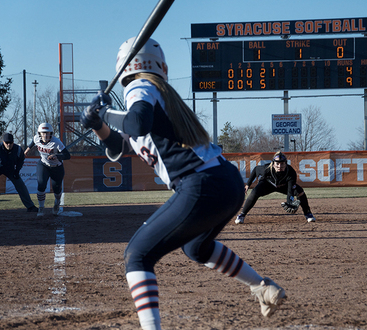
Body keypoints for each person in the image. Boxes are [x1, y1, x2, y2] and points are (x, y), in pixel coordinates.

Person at [80, 37, 286, 329]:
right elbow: (121, 145)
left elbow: (136, 124)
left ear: (125, 66)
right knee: (196, 248)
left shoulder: (139, 87)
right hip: (224, 182)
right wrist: (98, 124)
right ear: (160, 65)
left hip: (201, 184)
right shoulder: (160, 95)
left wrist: (102, 113)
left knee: (137, 255)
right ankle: (262, 287)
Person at [235, 151, 315, 224]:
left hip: (283, 186)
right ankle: (242, 215)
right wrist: (248, 184)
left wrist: (289, 202)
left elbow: (290, 189)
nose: (280, 166)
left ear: (286, 163)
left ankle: (308, 213)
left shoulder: (291, 172)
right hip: (267, 184)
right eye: (277, 163)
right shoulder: (266, 169)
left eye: (282, 163)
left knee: (299, 191)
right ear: (273, 164)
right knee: (255, 192)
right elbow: (256, 170)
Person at [0, 133, 38, 215]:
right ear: (3, 142)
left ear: (13, 142)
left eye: (10, 142)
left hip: (10, 170)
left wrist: (17, 171)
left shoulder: (18, 149)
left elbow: (21, 160)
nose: (9, 144)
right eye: (7, 143)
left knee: (20, 185)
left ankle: (30, 206)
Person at [24, 123, 71, 216]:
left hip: (57, 167)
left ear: (51, 133)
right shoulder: (36, 138)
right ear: (39, 134)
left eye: (48, 133)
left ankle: (57, 204)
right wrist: (27, 150)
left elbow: (67, 155)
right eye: (43, 133)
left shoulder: (56, 142)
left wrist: (56, 155)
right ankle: (41, 208)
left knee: (57, 189)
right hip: (44, 165)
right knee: (41, 185)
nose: (45, 135)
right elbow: (33, 142)